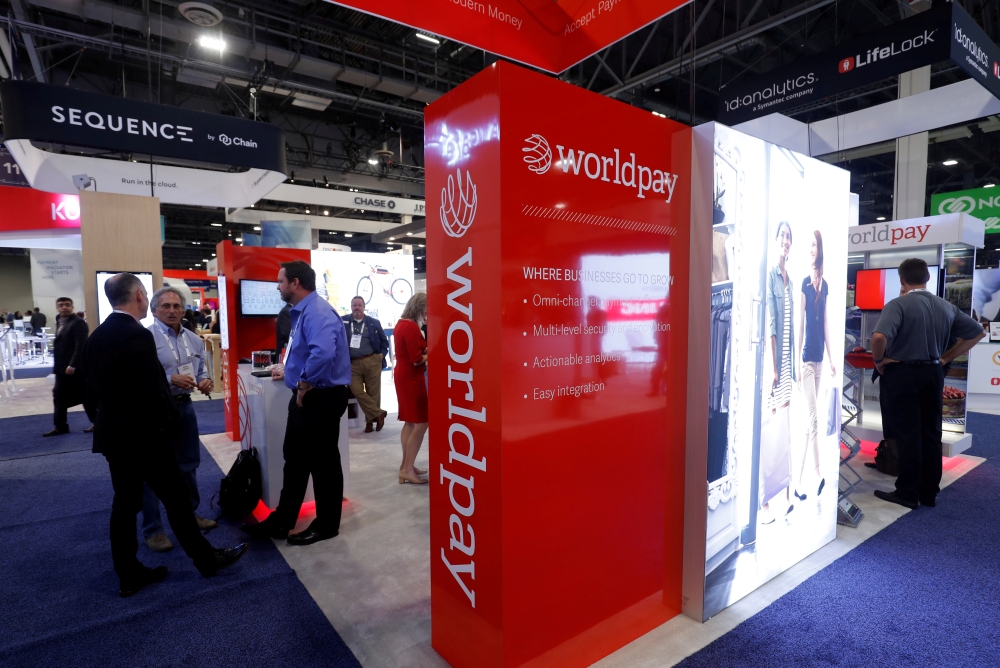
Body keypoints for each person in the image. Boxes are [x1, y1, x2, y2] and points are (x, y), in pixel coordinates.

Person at [84, 273, 247, 597]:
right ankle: (205, 558)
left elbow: (88, 392)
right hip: (147, 436)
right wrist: (168, 421)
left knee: (125, 505)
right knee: (175, 499)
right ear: (141, 295)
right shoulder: (138, 335)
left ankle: (128, 573)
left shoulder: (97, 336)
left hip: (114, 437)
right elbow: (152, 391)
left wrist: (104, 422)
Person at [242, 261, 351, 545]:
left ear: (295, 283)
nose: (277, 286)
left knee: (323, 463)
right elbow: (306, 352)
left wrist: (304, 383)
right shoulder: (304, 312)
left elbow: (323, 354)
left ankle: (327, 525)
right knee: (296, 460)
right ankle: (282, 521)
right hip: (309, 396)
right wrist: (291, 371)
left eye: (280, 281)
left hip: (319, 397)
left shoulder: (317, 312)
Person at [871, 259, 986, 509]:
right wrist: (945, 358)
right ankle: (929, 492)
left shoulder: (898, 304)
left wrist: (879, 361)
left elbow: (879, 336)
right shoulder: (946, 306)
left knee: (908, 433)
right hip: (934, 373)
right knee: (931, 433)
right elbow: (978, 332)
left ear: (902, 280)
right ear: (928, 279)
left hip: (903, 374)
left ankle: (907, 493)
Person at [140, 287, 217, 553]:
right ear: (154, 310)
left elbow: (202, 371)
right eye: (166, 306)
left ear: (183, 310)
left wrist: (206, 381)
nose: (171, 311)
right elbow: (139, 378)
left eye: (176, 306)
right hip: (155, 410)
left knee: (189, 465)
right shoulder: (144, 339)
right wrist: (170, 379)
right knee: (152, 473)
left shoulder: (194, 340)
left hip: (184, 408)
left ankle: (190, 515)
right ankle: (153, 530)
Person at [795, 231, 836, 502]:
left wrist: (832, 358)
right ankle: (819, 473)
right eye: (809, 244)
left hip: (820, 361)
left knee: (809, 428)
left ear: (820, 250)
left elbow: (825, 325)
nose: (811, 249)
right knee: (813, 419)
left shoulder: (826, 286)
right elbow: (800, 322)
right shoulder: (804, 284)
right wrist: (798, 360)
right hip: (807, 361)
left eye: (814, 245)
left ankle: (796, 483)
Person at [761, 221, 795, 522]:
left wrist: (790, 368)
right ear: (775, 241)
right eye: (782, 235)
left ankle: (782, 492)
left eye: (788, 237)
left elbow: (791, 327)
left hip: (785, 364)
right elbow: (772, 322)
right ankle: (763, 502)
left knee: (782, 428)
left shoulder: (790, 279)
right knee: (770, 429)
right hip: (773, 363)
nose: (785, 240)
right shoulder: (771, 275)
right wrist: (773, 366)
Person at [43, 297, 96, 437]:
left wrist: (72, 364)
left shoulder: (78, 323)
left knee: (85, 396)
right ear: (57, 307)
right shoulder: (60, 321)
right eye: (61, 305)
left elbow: (80, 345)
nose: (64, 307)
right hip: (62, 369)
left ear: (72, 307)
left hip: (75, 369)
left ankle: (98, 422)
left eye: (67, 305)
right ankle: (61, 426)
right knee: (59, 396)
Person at [393, 293, 429, 485]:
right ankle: (407, 468)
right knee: (421, 423)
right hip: (412, 378)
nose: (427, 314)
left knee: (410, 422)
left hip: (404, 375)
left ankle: (406, 465)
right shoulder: (411, 327)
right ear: (420, 308)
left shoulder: (401, 324)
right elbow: (416, 360)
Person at [342, 296, 390, 433]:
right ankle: (378, 413)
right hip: (351, 363)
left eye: (359, 305)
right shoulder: (343, 321)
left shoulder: (373, 322)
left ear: (364, 307)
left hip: (371, 361)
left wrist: (380, 355)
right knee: (356, 390)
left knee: (373, 393)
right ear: (351, 307)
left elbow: (383, 341)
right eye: (354, 305)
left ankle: (370, 423)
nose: (356, 307)